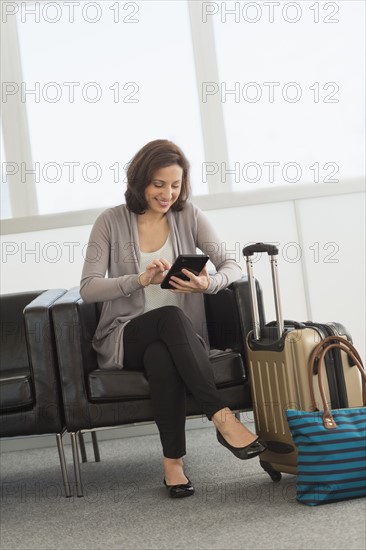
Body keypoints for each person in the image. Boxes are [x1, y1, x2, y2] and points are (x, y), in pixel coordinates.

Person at [80, 139, 266, 499]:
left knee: (162, 354)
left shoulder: (189, 216)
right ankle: (222, 418)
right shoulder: (110, 222)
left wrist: (208, 283)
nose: (167, 194)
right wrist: (138, 280)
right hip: (125, 336)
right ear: (140, 182)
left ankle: (173, 465)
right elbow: (88, 288)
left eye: (175, 185)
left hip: (180, 340)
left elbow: (231, 265)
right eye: (158, 184)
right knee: (167, 317)